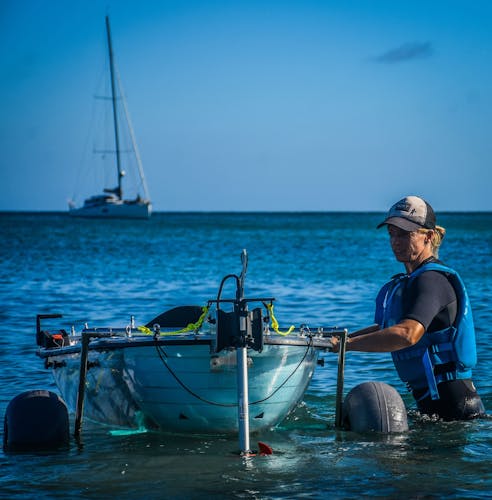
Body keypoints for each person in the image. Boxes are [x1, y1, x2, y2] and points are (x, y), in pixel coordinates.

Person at [331, 195, 485, 421]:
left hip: (456, 409)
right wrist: (342, 340)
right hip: (438, 406)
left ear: (428, 237)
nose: (395, 241)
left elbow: (407, 334)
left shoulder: (431, 280)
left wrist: (349, 345)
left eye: (405, 234)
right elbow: (388, 327)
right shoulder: (415, 279)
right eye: (392, 233)